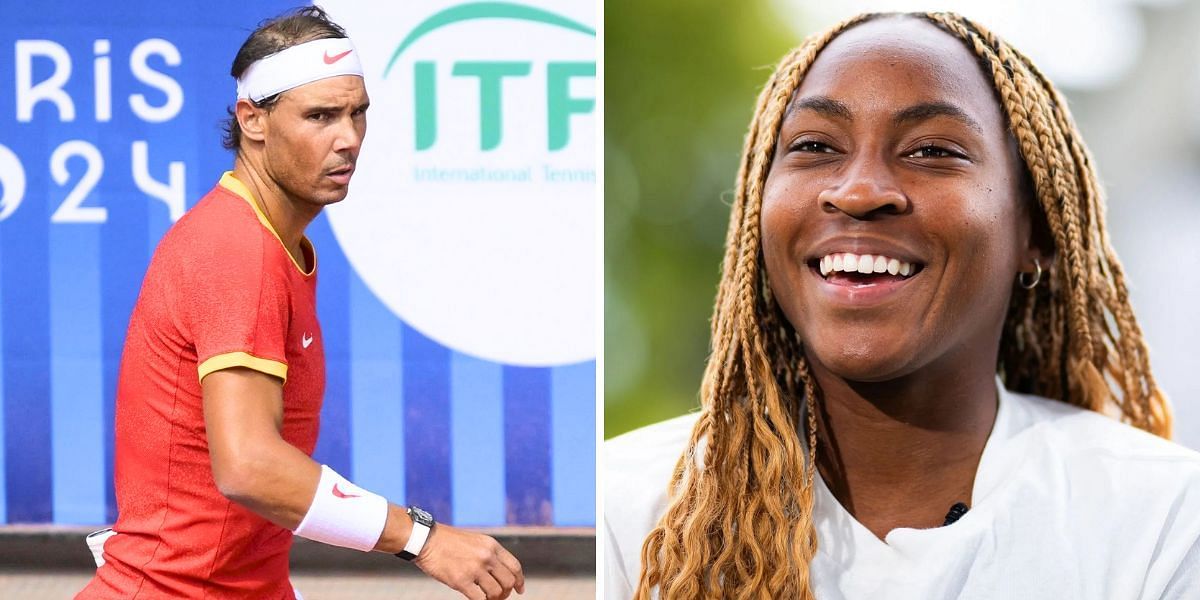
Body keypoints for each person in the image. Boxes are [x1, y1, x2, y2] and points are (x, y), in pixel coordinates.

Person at [605, 11, 1200, 600]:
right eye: (814, 146)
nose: (859, 191)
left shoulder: (1160, 522)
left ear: (1035, 232)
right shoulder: (620, 510)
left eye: (931, 151)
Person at [77, 7, 523, 600]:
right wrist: (423, 538)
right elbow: (249, 465)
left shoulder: (271, 241)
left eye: (357, 113)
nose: (349, 139)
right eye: (320, 116)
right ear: (252, 120)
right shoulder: (237, 247)